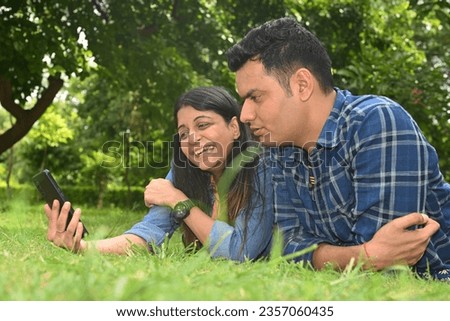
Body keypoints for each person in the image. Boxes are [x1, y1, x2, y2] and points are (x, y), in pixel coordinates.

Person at [226, 17, 449, 280]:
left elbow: (388, 266)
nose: (245, 115)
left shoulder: (377, 122)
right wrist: (365, 255)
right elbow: (286, 247)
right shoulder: (278, 148)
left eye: (255, 97)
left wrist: (353, 255)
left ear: (302, 84)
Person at [45, 86, 274, 262]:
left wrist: (178, 201)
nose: (192, 138)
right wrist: (83, 247)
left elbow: (239, 251)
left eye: (202, 125)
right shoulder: (183, 173)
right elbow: (149, 234)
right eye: (183, 133)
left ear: (234, 128)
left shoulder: (261, 168)